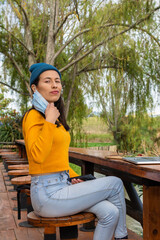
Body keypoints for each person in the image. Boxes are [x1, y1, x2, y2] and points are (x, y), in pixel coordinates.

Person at [22, 63, 128, 240]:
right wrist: (48, 121)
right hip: (46, 195)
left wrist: (71, 177)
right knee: (116, 183)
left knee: (110, 212)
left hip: (62, 186)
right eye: (47, 81)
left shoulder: (54, 117)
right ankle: (122, 237)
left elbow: (58, 157)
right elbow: (37, 156)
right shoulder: (33, 116)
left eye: (57, 81)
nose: (55, 85)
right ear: (35, 87)